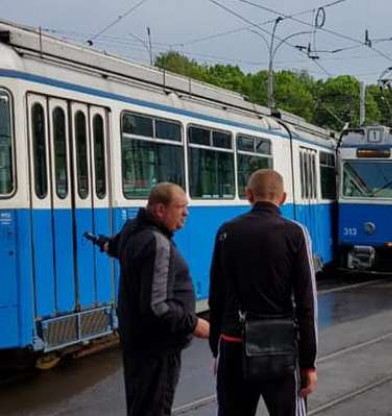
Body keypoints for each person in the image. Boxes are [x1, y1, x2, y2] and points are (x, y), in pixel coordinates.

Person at [209, 169, 318, 416]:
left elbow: (217, 296)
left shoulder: (227, 231)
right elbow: (306, 303)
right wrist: (308, 363)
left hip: (233, 344)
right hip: (279, 349)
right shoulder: (295, 233)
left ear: (249, 195)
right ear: (284, 198)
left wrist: (217, 350)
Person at [108, 183, 210, 416]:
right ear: (160, 210)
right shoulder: (158, 244)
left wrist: (106, 244)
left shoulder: (133, 230)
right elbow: (157, 306)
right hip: (158, 349)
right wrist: (194, 324)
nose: (186, 213)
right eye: (180, 207)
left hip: (137, 343)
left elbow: (114, 246)